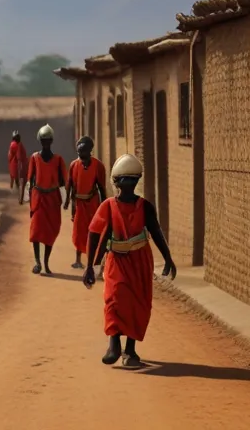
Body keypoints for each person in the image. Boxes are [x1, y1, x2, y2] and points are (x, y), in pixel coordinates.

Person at [83, 153, 177, 368]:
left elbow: (155, 231)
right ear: (116, 183)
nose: (127, 185)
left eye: (132, 180)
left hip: (140, 259)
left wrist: (168, 258)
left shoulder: (145, 207)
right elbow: (94, 233)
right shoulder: (107, 206)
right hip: (117, 259)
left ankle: (131, 351)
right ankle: (113, 343)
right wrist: (90, 265)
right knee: (114, 298)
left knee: (137, 303)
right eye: (123, 181)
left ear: (137, 181)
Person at [23, 123, 68, 275]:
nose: (46, 142)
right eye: (43, 140)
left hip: (53, 199)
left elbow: (63, 181)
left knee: (51, 230)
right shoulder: (34, 158)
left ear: (51, 141)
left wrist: (66, 199)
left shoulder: (58, 159)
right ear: (40, 141)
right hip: (39, 197)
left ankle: (46, 262)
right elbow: (30, 180)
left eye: (48, 139)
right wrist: (29, 204)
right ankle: (37, 262)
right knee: (36, 230)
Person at [63, 136, 107, 270]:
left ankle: (95, 261)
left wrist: (105, 206)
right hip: (79, 204)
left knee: (94, 230)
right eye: (79, 153)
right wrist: (67, 202)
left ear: (89, 151)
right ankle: (77, 260)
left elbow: (101, 187)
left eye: (83, 152)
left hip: (93, 202)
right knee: (79, 232)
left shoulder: (98, 165)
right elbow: (70, 185)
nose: (81, 155)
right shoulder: (74, 165)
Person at [8, 130, 28, 200]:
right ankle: (20, 195)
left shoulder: (14, 144)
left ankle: (19, 195)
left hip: (16, 164)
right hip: (17, 164)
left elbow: (15, 156)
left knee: (17, 180)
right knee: (19, 180)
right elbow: (18, 156)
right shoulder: (17, 145)